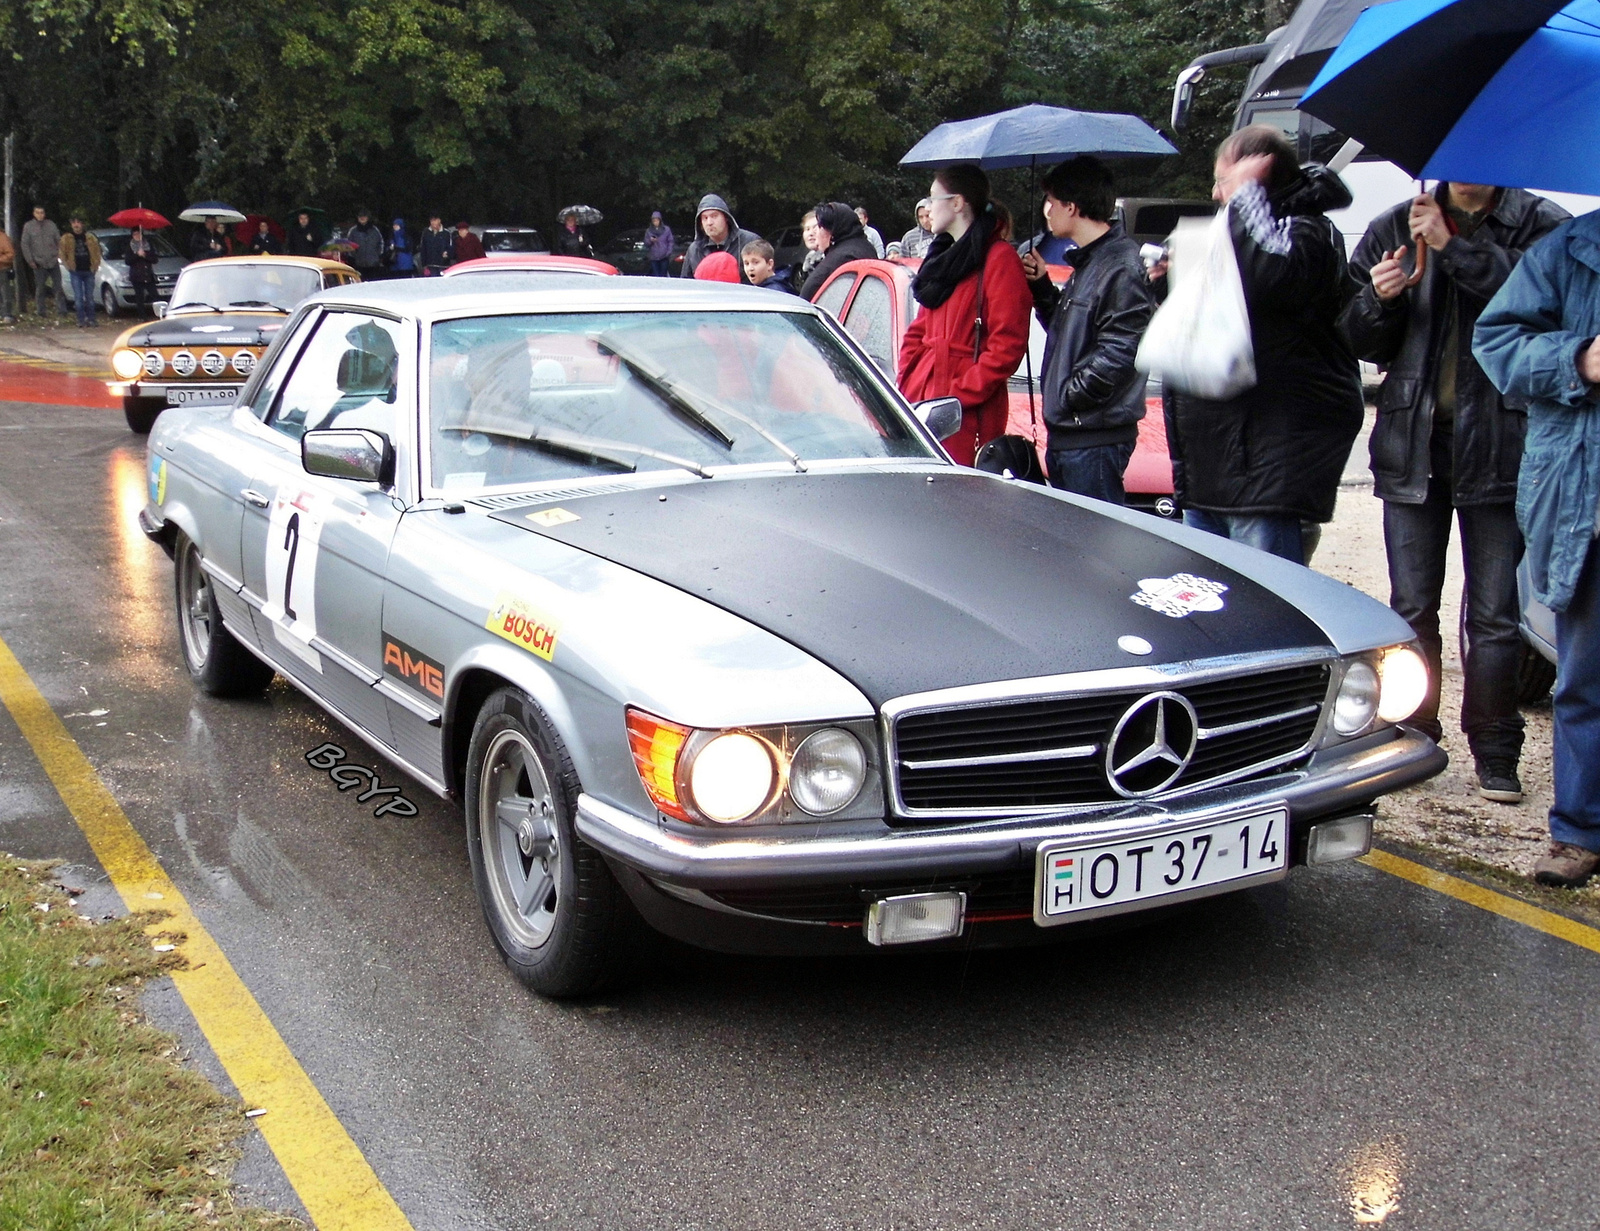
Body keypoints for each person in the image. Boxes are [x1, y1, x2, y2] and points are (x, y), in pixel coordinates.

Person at [1342, 183, 1569, 804]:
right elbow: (1355, 339)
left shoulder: (1539, 223)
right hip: (1415, 437)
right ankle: (1414, 728)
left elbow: (1550, 311)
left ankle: (1496, 749)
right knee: (1411, 605)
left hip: (1501, 439)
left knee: (1495, 615)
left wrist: (1455, 250)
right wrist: (1379, 300)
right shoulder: (1397, 222)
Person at [1163, 125, 1363, 565]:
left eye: (1225, 181)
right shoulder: (1232, 230)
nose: (1218, 196)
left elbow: (1273, 278)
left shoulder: (1308, 231)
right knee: (1207, 597)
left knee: (1267, 604)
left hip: (1268, 458)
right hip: (1213, 455)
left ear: (1260, 175)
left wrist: (1247, 198)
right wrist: (1167, 281)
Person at [1474, 209, 1600, 886]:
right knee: (1583, 680)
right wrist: (1577, 358)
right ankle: (1578, 830)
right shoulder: (1570, 248)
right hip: (1587, 502)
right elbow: (1495, 342)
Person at [1021, 157, 1154, 504]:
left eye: (1051, 201)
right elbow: (1071, 337)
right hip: (1073, 435)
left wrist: (1068, 396)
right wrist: (1043, 289)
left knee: (1093, 552)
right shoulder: (1090, 261)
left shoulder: (1120, 266)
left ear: (1071, 206)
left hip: (1092, 438)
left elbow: (1121, 352)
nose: (1046, 210)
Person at [897, 164, 1032, 467]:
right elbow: (919, 330)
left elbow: (1007, 346)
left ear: (957, 203)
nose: (928, 208)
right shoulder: (941, 260)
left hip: (967, 410)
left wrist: (959, 396)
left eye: (933, 199)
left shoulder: (998, 259)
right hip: (923, 398)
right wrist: (909, 379)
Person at [797, 202, 878, 300]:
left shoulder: (840, 258)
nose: (815, 233)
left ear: (831, 232)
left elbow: (806, 296)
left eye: (819, 227)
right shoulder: (865, 246)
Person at [681, 194, 760, 280]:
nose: (709, 222)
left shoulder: (750, 242)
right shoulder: (694, 250)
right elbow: (686, 285)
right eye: (705, 218)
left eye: (714, 216)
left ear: (726, 217)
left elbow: (765, 279)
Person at [20, 206, 62, 319]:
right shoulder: (28, 226)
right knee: (40, 288)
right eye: (38, 213)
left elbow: (59, 240)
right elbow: (25, 244)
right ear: (34, 214)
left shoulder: (51, 225)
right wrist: (30, 260)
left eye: (42, 212)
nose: (40, 215)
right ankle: (41, 311)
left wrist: (59, 254)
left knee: (58, 287)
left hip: (53, 260)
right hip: (38, 261)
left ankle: (62, 310)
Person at [59, 217, 101, 328]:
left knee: (90, 298)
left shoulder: (90, 238)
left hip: (89, 271)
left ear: (82, 224)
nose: (76, 225)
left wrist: (95, 265)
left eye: (78, 222)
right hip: (75, 272)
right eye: (74, 223)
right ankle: (81, 320)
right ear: (71, 225)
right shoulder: (66, 238)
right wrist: (68, 266)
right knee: (78, 298)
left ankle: (92, 319)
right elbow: (62, 254)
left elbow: (97, 252)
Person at [124, 226, 159, 315]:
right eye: (134, 234)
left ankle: (159, 313)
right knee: (140, 296)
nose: (137, 236)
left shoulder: (148, 245)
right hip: (136, 275)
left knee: (155, 295)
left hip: (148, 274)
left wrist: (145, 256)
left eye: (138, 234)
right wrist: (137, 255)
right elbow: (128, 261)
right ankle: (142, 315)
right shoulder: (130, 246)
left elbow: (154, 259)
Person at [348, 208, 386, 278]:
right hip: (359, 263)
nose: (362, 218)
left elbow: (381, 243)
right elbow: (348, 245)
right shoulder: (353, 231)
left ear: (368, 218)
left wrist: (379, 256)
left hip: (373, 264)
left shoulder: (375, 230)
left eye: (364, 216)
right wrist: (354, 257)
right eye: (360, 216)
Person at [645, 211, 674, 276]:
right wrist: (651, 241)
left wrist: (668, 252)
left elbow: (670, 241)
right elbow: (646, 243)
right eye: (654, 221)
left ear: (660, 220)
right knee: (656, 275)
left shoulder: (666, 229)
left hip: (664, 256)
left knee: (663, 275)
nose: (655, 222)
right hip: (654, 257)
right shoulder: (649, 231)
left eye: (657, 220)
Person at [799, 210, 825, 283]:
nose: (810, 233)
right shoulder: (809, 260)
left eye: (815, 228)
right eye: (807, 229)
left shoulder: (829, 260)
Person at [0, 226, 15, 324]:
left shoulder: (2, 237)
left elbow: (10, 253)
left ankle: (7, 314)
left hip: (2, 269)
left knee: (5, 293)